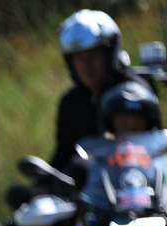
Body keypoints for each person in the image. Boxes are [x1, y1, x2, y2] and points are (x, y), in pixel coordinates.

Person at [52, 9, 147, 171]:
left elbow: (153, 150)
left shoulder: (134, 94)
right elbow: (63, 155)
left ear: (110, 53)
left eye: (93, 55)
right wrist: (40, 186)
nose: (87, 65)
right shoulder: (71, 103)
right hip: (86, 195)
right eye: (80, 58)